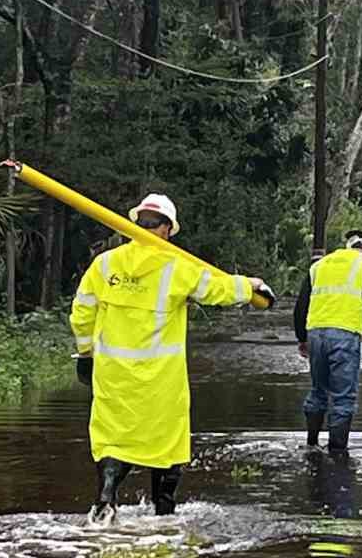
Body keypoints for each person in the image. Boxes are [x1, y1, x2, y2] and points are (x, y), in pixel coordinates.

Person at [71, 192, 267, 522]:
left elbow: (81, 313)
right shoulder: (178, 268)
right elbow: (218, 290)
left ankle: (106, 498)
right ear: (166, 229)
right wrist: (251, 286)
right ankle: (164, 516)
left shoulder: (104, 265)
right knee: (167, 445)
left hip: (113, 376)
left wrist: (86, 353)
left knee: (112, 440)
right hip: (160, 381)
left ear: (136, 223)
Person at [293, 230, 362, 453]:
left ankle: (311, 445)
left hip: (315, 335)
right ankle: (337, 454)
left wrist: (302, 338)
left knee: (318, 391)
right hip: (345, 335)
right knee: (343, 398)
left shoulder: (319, 265)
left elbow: (300, 307)